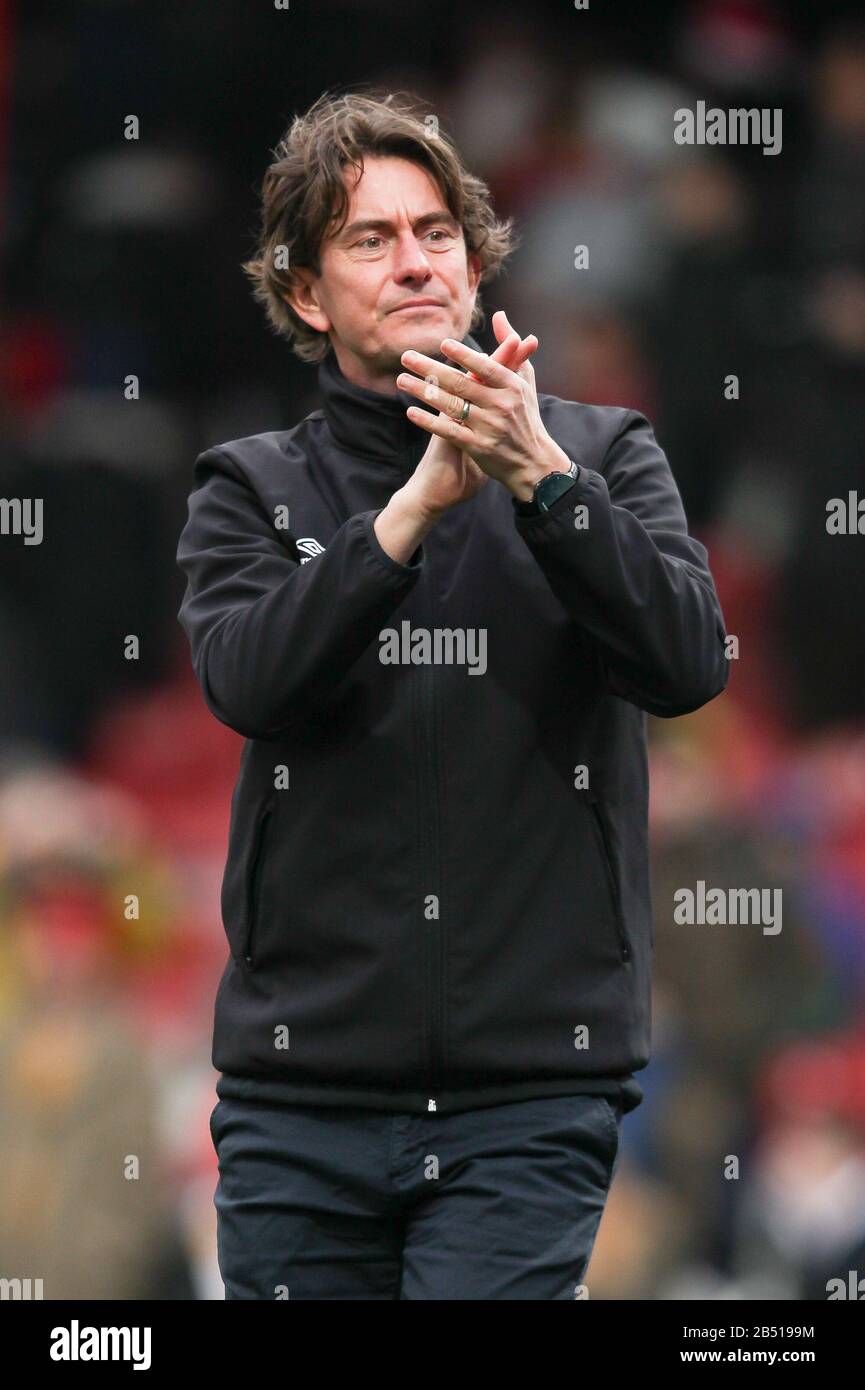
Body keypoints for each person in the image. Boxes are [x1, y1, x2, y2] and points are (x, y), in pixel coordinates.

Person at [176, 90, 729, 1300]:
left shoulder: (605, 453)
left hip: (526, 1097)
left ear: (474, 265)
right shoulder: (248, 487)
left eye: (435, 232)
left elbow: (690, 664)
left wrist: (539, 476)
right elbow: (246, 680)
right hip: (296, 1098)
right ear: (308, 296)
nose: (415, 260)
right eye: (368, 238)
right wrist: (410, 513)